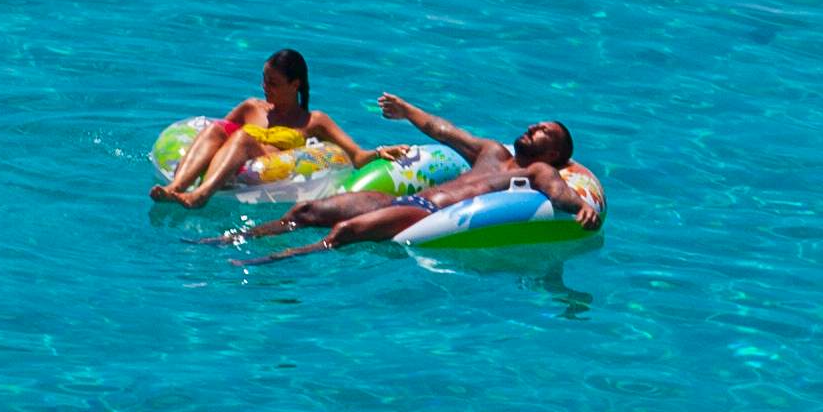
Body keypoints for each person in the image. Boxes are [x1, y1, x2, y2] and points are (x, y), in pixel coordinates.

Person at [226, 118, 602, 254]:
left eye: (543, 132)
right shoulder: (489, 151)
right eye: (535, 125)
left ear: (554, 152)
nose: (532, 129)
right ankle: (233, 239)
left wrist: (580, 207)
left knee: (345, 231)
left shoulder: (540, 171)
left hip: (429, 214)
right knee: (305, 211)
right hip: (403, 198)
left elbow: (559, 193)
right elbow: (444, 131)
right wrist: (407, 111)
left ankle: (270, 261)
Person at [157, 49, 380, 207]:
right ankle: (175, 187)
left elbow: (357, 155)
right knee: (217, 129)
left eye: (273, 83)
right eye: (264, 81)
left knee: (243, 137)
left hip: (267, 166)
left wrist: (380, 153)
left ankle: (201, 195)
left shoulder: (313, 121)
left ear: (295, 85)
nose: (266, 88)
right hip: (233, 162)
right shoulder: (251, 107)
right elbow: (218, 137)